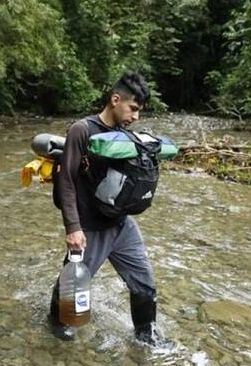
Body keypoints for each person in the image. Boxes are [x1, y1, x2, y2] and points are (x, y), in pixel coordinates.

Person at [48, 71, 164, 344]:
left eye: (139, 112)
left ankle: (146, 336)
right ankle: (56, 322)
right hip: (90, 228)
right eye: (132, 108)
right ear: (115, 99)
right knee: (75, 282)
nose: (136, 117)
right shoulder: (82, 130)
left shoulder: (125, 136)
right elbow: (66, 179)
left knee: (144, 282)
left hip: (122, 225)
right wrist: (73, 228)